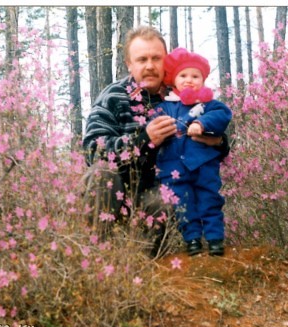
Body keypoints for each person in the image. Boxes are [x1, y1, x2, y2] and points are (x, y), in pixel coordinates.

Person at [82, 26, 229, 256]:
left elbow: (213, 126)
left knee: (166, 196)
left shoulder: (183, 92)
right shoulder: (113, 96)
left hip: (155, 193)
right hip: (118, 189)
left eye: (156, 58)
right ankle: (97, 256)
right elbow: (93, 150)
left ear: (166, 61)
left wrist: (217, 142)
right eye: (141, 59)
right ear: (129, 65)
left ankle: (142, 264)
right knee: (101, 175)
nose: (149, 66)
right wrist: (143, 139)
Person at [152, 48, 232, 256]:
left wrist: (201, 123)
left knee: (210, 200)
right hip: (173, 167)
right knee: (182, 204)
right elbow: (152, 125)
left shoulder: (208, 105)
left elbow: (222, 114)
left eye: (195, 76)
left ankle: (215, 240)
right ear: (173, 80)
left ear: (203, 80)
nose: (189, 80)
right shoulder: (164, 107)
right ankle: (192, 241)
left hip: (204, 164)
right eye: (183, 75)